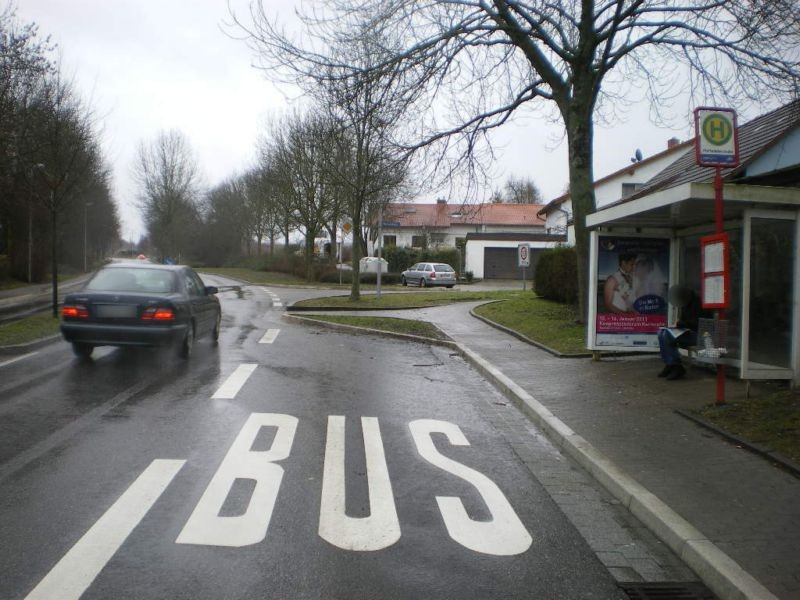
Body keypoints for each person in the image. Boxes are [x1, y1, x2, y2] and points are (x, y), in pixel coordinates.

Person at [657, 285, 702, 380]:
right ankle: (670, 364)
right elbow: (684, 321)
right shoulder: (686, 303)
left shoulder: (698, 303)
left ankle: (676, 366)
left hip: (699, 334)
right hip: (688, 331)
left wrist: (681, 324)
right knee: (661, 332)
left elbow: (696, 323)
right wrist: (678, 325)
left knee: (667, 335)